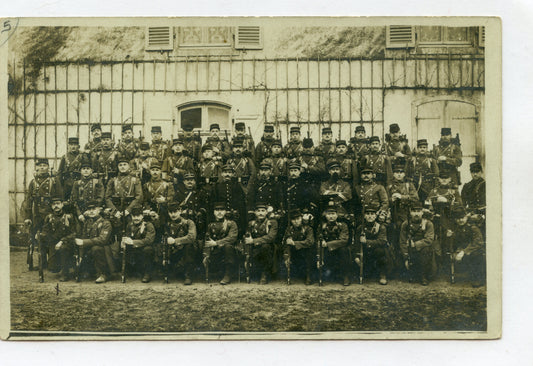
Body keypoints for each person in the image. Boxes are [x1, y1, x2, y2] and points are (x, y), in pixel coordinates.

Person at [23, 158, 64, 271]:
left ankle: (54, 263)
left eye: (44, 165)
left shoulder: (54, 181)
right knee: (39, 238)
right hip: (37, 215)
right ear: (37, 168)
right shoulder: (33, 183)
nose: (42, 168)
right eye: (40, 166)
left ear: (48, 167)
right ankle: (43, 263)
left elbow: (60, 198)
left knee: (53, 237)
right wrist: (27, 217)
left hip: (51, 214)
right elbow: (28, 202)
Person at [40, 195, 79, 281]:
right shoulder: (49, 217)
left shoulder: (69, 217)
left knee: (64, 249)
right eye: (54, 204)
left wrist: (62, 241)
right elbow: (45, 230)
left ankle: (65, 273)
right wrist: (42, 235)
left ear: (62, 205)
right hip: (54, 242)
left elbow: (74, 233)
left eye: (58, 204)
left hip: (67, 242)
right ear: (51, 206)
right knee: (53, 268)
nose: (56, 206)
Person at [75, 201, 114, 283]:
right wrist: (80, 256)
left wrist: (84, 242)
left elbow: (102, 240)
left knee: (96, 249)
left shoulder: (106, 223)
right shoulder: (87, 223)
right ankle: (88, 271)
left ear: (99, 210)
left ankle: (104, 274)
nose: (91, 211)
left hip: (104, 250)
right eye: (89, 209)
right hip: (91, 248)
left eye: (94, 209)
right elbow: (83, 237)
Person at [447, 206, 485, 287]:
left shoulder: (472, 227)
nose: (460, 220)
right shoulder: (456, 228)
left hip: (475, 250)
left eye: (462, 217)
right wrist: (449, 237)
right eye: (457, 218)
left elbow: (478, 243)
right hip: (462, 250)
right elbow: (454, 243)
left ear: (466, 217)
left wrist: (464, 251)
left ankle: (479, 279)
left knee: (477, 255)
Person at [399, 201, 435, 286]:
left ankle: (423, 276)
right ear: (410, 212)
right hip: (410, 251)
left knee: (426, 250)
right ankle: (412, 273)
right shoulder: (405, 224)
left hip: (424, 250)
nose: (416, 214)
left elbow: (429, 239)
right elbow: (402, 241)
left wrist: (415, 244)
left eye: (418, 211)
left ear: (422, 212)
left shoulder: (428, 224)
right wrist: (406, 256)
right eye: (414, 211)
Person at [203, 203, 239, 285]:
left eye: (222, 210)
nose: (219, 212)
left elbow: (232, 238)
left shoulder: (231, 224)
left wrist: (216, 243)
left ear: (225, 212)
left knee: (228, 247)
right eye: (217, 210)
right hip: (215, 252)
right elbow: (207, 240)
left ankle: (228, 275)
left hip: (228, 252)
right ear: (214, 212)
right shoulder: (210, 225)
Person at [353, 203, 390, 285]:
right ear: (364, 216)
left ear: (375, 216)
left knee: (381, 251)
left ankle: (382, 275)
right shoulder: (360, 228)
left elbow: (382, 241)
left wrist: (367, 242)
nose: (370, 216)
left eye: (372, 214)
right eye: (367, 214)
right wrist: (356, 256)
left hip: (377, 251)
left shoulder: (381, 227)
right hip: (365, 252)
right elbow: (356, 243)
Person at [317, 201, 351, 286]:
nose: (331, 216)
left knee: (344, 250)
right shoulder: (322, 226)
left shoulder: (342, 225)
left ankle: (345, 276)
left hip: (339, 250)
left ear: (337, 215)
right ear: (325, 215)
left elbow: (343, 240)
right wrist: (321, 242)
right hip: (327, 252)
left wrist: (327, 244)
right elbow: (318, 239)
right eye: (328, 214)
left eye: (333, 214)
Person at [244, 202, 279, 284]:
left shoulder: (272, 223)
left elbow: (271, 237)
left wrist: (254, 241)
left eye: (263, 211)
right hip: (255, 248)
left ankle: (265, 274)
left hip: (268, 248)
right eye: (258, 211)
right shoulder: (251, 223)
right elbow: (247, 236)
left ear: (266, 212)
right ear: (255, 213)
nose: (260, 213)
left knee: (265, 247)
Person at [164, 202, 197, 285]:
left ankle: (188, 276)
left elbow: (191, 237)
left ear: (180, 211)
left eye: (175, 212)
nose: (173, 215)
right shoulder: (168, 224)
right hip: (175, 251)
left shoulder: (188, 223)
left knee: (189, 246)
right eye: (170, 212)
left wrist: (175, 241)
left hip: (187, 251)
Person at [121, 205, 156, 283]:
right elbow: (127, 236)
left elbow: (149, 240)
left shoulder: (148, 225)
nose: (136, 218)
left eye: (138, 216)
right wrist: (124, 241)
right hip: (134, 249)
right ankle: (129, 271)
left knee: (148, 250)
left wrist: (133, 242)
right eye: (134, 216)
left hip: (144, 249)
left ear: (142, 216)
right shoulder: (129, 225)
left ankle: (147, 273)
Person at [282, 208, 314, 285]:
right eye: (293, 219)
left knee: (309, 252)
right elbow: (285, 242)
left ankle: (308, 275)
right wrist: (286, 255)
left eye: (298, 219)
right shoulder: (289, 229)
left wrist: (294, 243)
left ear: (301, 218)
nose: (296, 221)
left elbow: (310, 242)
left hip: (305, 251)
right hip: (294, 252)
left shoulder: (308, 228)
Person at [70, 154, 105, 223]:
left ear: (91, 170)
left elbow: (100, 198)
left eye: (88, 169)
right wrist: (79, 214)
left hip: (94, 212)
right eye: (84, 169)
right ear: (80, 171)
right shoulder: (77, 183)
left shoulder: (97, 182)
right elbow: (74, 200)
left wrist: (92, 211)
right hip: (81, 213)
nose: (86, 170)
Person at [407, 139, 439, 203]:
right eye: (420, 147)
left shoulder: (431, 160)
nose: (422, 149)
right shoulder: (412, 160)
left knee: (426, 202)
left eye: (424, 147)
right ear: (417, 148)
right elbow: (407, 172)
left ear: (427, 148)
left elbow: (436, 173)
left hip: (427, 186)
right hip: (415, 185)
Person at [461, 162, 486, 234]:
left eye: (477, 172)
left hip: (484, 213)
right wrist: (466, 214)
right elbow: (463, 203)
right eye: (473, 172)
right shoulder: (467, 186)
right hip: (470, 213)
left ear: (481, 172)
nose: (475, 174)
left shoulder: (485, 185)